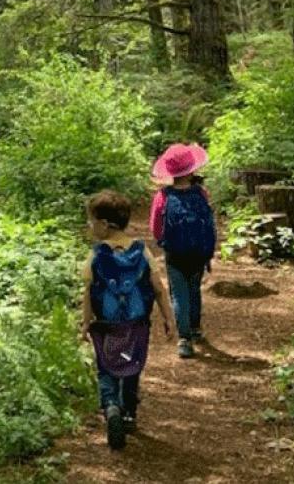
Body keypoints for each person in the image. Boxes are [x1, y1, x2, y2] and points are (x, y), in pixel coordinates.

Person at [82, 190, 176, 450]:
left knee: (106, 367)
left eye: (91, 222)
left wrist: (85, 322)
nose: (90, 227)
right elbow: (158, 287)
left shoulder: (97, 254)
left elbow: (89, 290)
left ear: (103, 224)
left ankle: (111, 404)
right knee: (131, 365)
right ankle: (128, 413)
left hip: (106, 325)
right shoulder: (141, 251)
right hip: (136, 324)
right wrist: (169, 318)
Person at [149, 143, 218, 359]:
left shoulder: (163, 196)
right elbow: (209, 222)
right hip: (198, 253)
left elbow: (155, 227)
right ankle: (196, 328)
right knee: (194, 289)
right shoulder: (202, 193)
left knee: (178, 295)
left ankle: (184, 340)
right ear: (192, 170)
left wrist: (164, 241)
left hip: (175, 254)